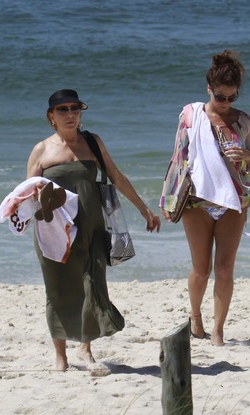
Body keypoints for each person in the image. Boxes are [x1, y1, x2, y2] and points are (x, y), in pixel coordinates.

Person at [26, 89, 161, 372]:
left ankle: (85, 349)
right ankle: (60, 355)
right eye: (62, 109)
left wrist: (143, 209)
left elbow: (117, 177)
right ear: (51, 116)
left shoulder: (92, 142)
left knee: (92, 282)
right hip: (53, 230)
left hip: (91, 226)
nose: (70, 114)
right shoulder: (42, 149)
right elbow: (27, 194)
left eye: (75, 108)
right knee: (58, 287)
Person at [159, 50, 250, 346]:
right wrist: (168, 198)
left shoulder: (243, 122)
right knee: (201, 269)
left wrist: (246, 156)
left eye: (232, 97)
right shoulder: (191, 116)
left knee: (225, 268)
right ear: (209, 89)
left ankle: (218, 329)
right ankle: (196, 316)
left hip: (233, 200)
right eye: (221, 97)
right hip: (196, 201)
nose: (227, 103)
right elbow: (178, 156)